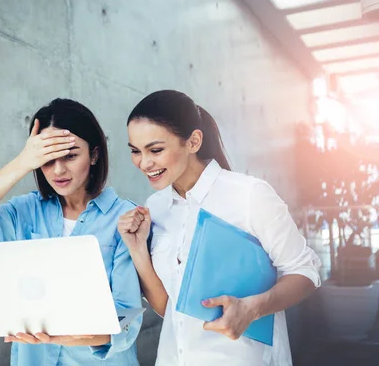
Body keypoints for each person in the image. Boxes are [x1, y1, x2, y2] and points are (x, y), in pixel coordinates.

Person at [117, 90, 321, 366]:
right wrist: (137, 248)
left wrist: (252, 309)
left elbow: (305, 271)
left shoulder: (249, 195)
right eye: (135, 151)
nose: (144, 163)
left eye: (155, 150)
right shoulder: (156, 206)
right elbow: (171, 308)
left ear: (193, 142)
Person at [0, 98, 142, 366]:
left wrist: (78, 335)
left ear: (94, 154)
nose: (58, 170)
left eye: (70, 156)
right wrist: (21, 163)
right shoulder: (26, 212)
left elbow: (128, 315)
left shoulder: (123, 219)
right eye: (47, 159)